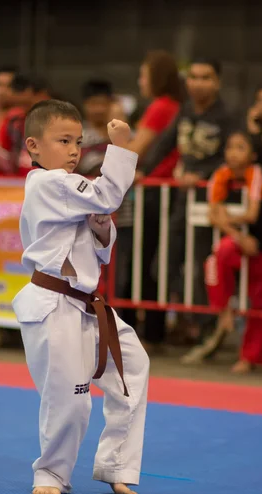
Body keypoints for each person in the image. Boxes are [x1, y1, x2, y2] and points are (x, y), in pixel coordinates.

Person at [12, 100, 149, 494]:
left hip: (87, 304)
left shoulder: (70, 188)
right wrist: (121, 148)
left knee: (133, 368)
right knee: (69, 399)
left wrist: (102, 226)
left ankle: (118, 464)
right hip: (54, 306)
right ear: (34, 146)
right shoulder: (46, 183)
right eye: (63, 141)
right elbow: (107, 194)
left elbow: (101, 248)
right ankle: (51, 473)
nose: (74, 150)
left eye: (78, 141)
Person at [141, 58, 233, 344]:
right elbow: (164, 144)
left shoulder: (228, 115)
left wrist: (201, 175)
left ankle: (206, 329)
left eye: (205, 77)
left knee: (201, 266)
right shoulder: (185, 111)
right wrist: (141, 170)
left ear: (217, 82)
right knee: (163, 265)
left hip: (213, 201)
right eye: (193, 77)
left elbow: (234, 154)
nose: (198, 83)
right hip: (183, 200)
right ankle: (189, 320)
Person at [195, 131, 262, 373]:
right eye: (230, 147)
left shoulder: (255, 173)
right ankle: (224, 312)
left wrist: (227, 217)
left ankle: (251, 356)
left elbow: (252, 214)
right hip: (240, 241)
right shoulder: (220, 175)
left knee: (261, 301)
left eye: (241, 147)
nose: (233, 153)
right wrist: (236, 234)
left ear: (253, 155)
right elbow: (214, 215)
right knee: (215, 260)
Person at [125, 50, 182, 351]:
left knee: (143, 260)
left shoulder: (161, 107)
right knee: (151, 260)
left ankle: (143, 333)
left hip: (157, 193)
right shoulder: (173, 106)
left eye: (144, 75)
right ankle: (151, 331)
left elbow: (136, 148)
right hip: (161, 192)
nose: (140, 81)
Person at [77, 79, 113, 177]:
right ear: (84, 105)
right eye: (94, 104)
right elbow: (85, 165)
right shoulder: (78, 135)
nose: (99, 109)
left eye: (103, 104)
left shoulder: (123, 133)